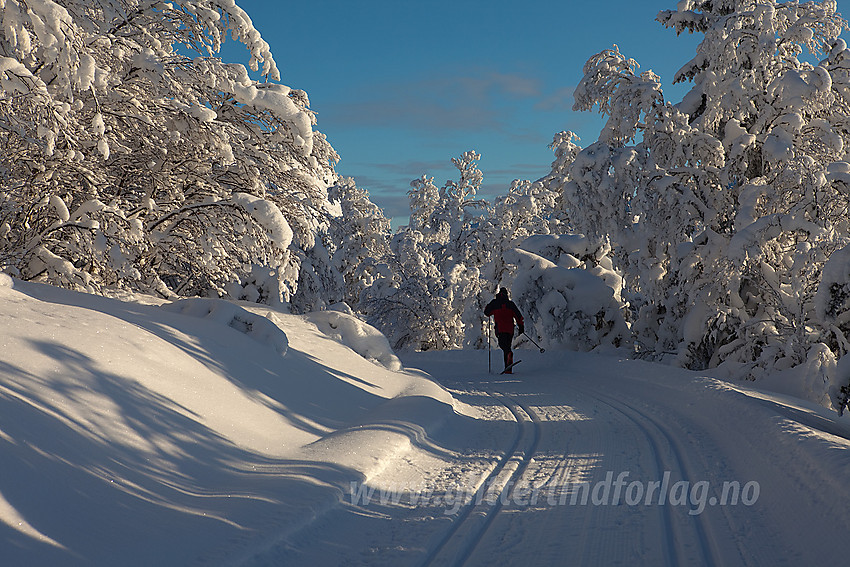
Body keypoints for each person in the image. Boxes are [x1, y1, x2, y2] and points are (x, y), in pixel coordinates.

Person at [484, 288, 524, 373]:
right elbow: (519, 316)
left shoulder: (495, 303)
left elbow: (486, 312)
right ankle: (508, 369)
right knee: (507, 346)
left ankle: (508, 357)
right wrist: (521, 326)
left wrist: (489, 305)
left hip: (500, 329)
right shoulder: (510, 304)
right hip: (510, 330)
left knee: (503, 346)